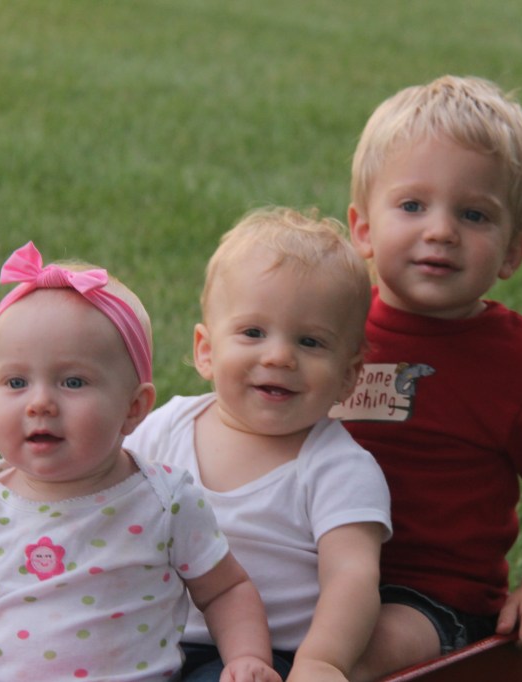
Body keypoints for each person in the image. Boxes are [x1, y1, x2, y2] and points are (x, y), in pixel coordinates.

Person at [0, 242, 281, 682]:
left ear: (134, 407)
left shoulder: (165, 500)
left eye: (73, 383)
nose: (40, 403)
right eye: (16, 383)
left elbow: (225, 590)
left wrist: (246, 659)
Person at [329, 75, 522, 680]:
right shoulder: (328, 324)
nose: (440, 231)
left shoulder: (521, 365)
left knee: (345, 657)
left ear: (513, 251)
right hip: (311, 566)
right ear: (363, 230)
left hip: (432, 600)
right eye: (412, 205)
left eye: (474, 214)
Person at [124, 207, 392, 682]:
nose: (279, 356)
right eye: (253, 332)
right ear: (207, 350)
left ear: (349, 375)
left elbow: (351, 578)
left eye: (310, 342)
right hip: (148, 638)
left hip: (265, 658)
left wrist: (322, 661)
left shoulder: (338, 468)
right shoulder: (164, 429)